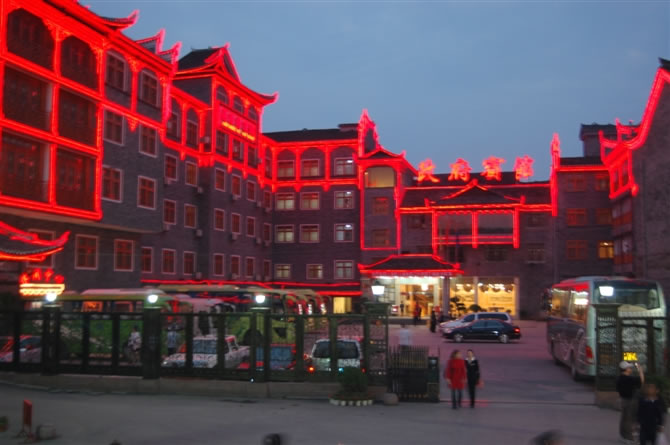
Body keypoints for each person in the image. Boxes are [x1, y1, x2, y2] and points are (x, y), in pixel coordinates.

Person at [617, 360, 644, 443]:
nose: (631, 369)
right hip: (630, 400)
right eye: (629, 368)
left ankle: (623, 435)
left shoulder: (619, 378)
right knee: (629, 419)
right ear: (626, 369)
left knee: (624, 418)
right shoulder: (629, 379)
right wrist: (640, 371)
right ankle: (629, 438)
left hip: (623, 400)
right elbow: (641, 382)